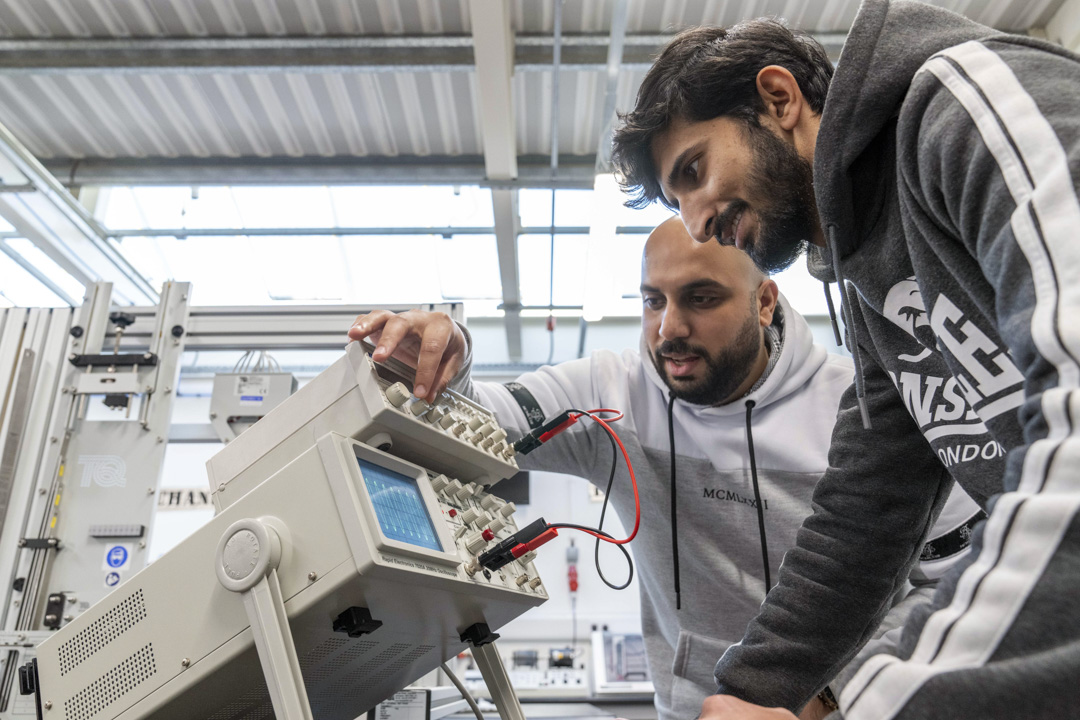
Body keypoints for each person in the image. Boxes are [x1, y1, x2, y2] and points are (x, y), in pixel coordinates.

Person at [610, 2, 1080, 718]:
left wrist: (874, 700)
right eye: (679, 200)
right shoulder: (871, 287)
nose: (697, 221)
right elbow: (868, 508)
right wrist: (751, 693)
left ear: (779, 98)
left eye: (696, 170)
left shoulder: (965, 105)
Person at [348, 217, 980, 720]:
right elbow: (484, 421)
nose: (669, 328)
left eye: (701, 298)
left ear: (764, 301)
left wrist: (825, 695)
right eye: (653, 300)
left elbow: (954, 584)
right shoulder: (608, 393)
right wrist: (441, 364)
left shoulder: (869, 410)